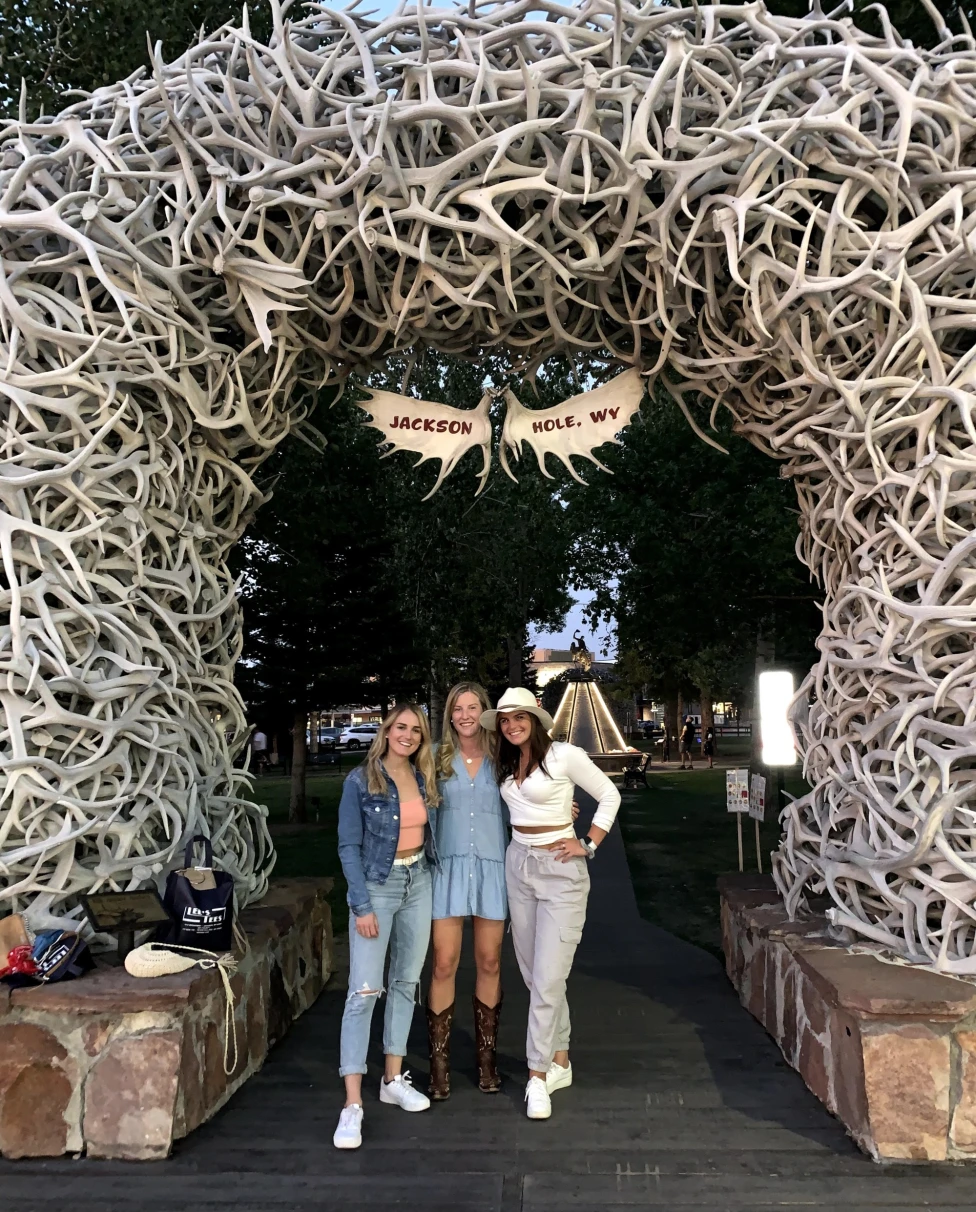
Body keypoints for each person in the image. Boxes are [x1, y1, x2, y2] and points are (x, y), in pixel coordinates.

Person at [481, 686, 621, 1121]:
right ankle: (560, 1058)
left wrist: (588, 843)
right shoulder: (505, 762)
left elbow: (610, 794)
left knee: (546, 979)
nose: (512, 725)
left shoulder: (565, 755)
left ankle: (537, 1076)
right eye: (504, 720)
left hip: (560, 870)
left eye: (519, 717)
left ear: (536, 720)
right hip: (518, 866)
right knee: (534, 974)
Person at [333, 703, 440, 1150]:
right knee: (364, 991)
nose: (408, 735)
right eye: (401, 727)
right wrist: (361, 906)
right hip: (378, 887)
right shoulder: (361, 780)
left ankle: (392, 1079)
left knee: (405, 982)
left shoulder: (422, 778)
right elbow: (347, 846)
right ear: (387, 730)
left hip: (419, 882)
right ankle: (352, 1105)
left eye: (416, 730)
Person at [427, 682, 507, 1099]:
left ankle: (486, 1062)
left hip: (493, 871)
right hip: (448, 872)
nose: (464, 715)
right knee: (443, 963)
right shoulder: (436, 759)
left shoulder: (502, 759)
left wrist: (561, 808)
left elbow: (529, 799)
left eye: (472, 707)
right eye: (458, 708)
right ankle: (439, 1067)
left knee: (490, 962)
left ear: (484, 711)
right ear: (450, 714)